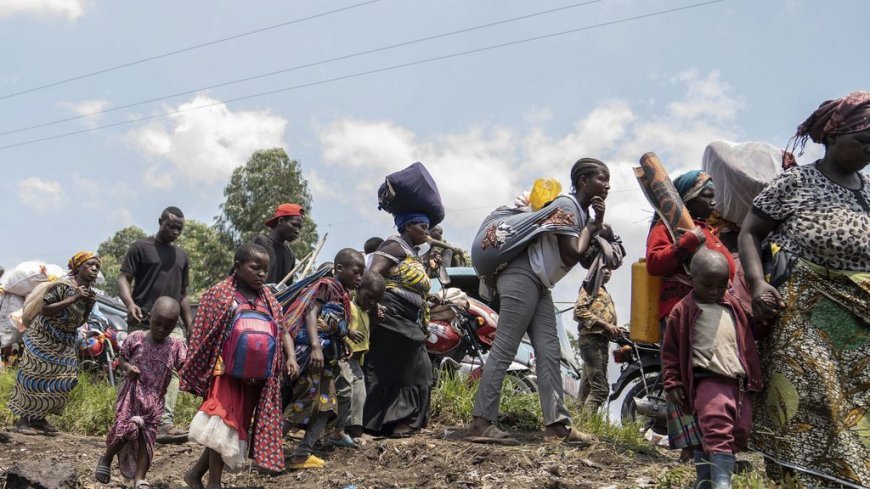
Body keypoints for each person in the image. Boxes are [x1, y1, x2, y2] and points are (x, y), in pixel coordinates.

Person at [738, 91, 870, 487]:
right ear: (832, 137)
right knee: (807, 402)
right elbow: (749, 232)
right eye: (862, 141)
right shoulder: (796, 181)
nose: (869, 151)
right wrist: (758, 283)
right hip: (803, 311)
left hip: (859, 320)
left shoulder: (868, 191)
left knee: (855, 410)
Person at [465, 158, 608, 445]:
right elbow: (571, 254)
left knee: (549, 351)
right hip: (523, 275)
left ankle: (557, 425)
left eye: (608, 181)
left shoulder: (577, 212)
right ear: (582, 181)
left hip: (539, 282)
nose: (606, 186)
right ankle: (481, 422)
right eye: (601, 179)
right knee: (505, 346)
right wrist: (594, 226)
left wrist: (594, 225)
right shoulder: (568, 206)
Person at [181, 244, 292, 486]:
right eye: (255, 268)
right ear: (238, 266)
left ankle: (194, 475)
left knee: (230, 428)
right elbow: (202, 334)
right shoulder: (220, 295)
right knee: (222, 422)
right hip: (225, 372)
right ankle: (214, 483)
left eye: (265, 269)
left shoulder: (270, 300)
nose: (261, 274)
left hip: (254, 378)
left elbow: (281, 330)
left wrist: (287, 360)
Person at [645, 170, 735, 460]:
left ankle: (711, 442)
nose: (714, 202)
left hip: (711, 315)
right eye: (707, 197)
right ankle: (690, 448)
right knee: (681, 378)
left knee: (709, 377)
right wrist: (686, 243)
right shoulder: (668, 228)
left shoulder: (709, 231)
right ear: (688, 200)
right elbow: (655, 263)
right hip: (678, 316)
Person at [661, 250, 763, 489]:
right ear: (691, 276)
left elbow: (751, 333)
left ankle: (704, 481)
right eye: (708, 285)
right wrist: (672, 381)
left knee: (740, 429)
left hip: (737, 382)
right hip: (708, 379)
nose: (715, 291)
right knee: (717, 429)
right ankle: (721, 482)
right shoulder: (683, 310)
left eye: (721, 285)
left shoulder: (733, 305)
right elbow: (670, 351)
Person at [283, 248, 364, 469]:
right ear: (339, 269)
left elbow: (330, 325)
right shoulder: (327, 286)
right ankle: (266, 449)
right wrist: (316, 347)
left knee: (327, 406)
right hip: (313, 359)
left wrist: (344, 342)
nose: (360, 277)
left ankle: (303, 454)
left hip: (327, 363)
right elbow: (311, 314)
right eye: (356, 271)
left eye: (362, 273)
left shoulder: (343, 295)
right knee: (304, 403)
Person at [95, 297, 187, 488]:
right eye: (158, 323)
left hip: (154, 401)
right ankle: (107, 457)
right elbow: (122, 358)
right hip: (131, 397)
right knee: (126, 430)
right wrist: (127, 367)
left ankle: (140, 478)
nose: (161, 329)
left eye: (168, 327)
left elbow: (185, 367)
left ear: (174, 326)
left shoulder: (175, 346)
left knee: (147, 440)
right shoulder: (135, 338)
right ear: (149, 316)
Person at [118, 206, 193, 442]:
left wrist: (190, 324)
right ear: (160, 221)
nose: (174, 231)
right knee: (136, 370)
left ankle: (163, 423)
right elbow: (123, 278)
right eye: (170, 226)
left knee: (173, 372)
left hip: (173, 325)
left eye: (178, 228)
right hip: (143, 318)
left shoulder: (181, 256)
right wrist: (129, 303)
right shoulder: (140, 248)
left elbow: (183, 294)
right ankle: (126, 419)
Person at [8, 252, 100, 434]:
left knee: (62, 378)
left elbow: (79, 321)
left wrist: (88, 306)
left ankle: (39, 418)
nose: (95, 269)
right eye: (90, 265)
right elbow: (45, 309)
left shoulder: (88, 293)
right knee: (33, 376)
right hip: (43, 337)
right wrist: (74, 298)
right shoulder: (62, 286)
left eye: (97, 267)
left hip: (64, 340)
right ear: (78, 267)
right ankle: (23, 421)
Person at [363, 213, 436, 438]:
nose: (427, 231)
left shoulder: (413, 253)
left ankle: (388, 424)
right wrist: (374, 306)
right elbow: (372, 275)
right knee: (419, 369)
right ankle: (402, 422)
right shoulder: (395, 245)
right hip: (390, 313)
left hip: (407, 315)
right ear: (408, 227)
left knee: (394, 372)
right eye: (422, 226)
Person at [329, 271, 386, 445]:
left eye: (375, 300)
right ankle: (335, 431)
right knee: (345, 394)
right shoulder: (349, 307)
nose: (371, 302)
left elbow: (368, 336)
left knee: (359, 395)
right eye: (369, 297)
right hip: (344, 358)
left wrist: (375, 319)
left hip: (357, 362)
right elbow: (338, 328)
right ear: (358, 289)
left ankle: (355, 433)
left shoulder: (365, 311)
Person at [573, 267, 620, 413]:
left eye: (610, 269)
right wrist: (605, 324)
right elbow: (579, 311)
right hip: (591, 340)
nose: (607, 272)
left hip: (600, 341)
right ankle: (586, 425)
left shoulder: (604, 291)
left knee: (586, 389)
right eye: (603, 268)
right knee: (600, 389)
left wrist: (613, 328)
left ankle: (575, 423)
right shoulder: (590, 286)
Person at [252, 203, 304, 285]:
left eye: (299, 228)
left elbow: (286, 288)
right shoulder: (262, 242)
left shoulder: (290, 255)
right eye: (294, 225)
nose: (297, 231)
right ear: (281, 221)